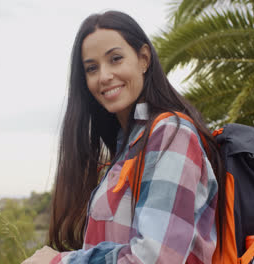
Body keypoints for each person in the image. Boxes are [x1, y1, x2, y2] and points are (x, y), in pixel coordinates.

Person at [22, 10, 226, 264]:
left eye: (115, 59)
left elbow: (156, 258)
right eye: (92, 68)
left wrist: (59, 262)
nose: (104, 76)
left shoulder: (172, 135)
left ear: (143, 59)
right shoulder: (128, 146)